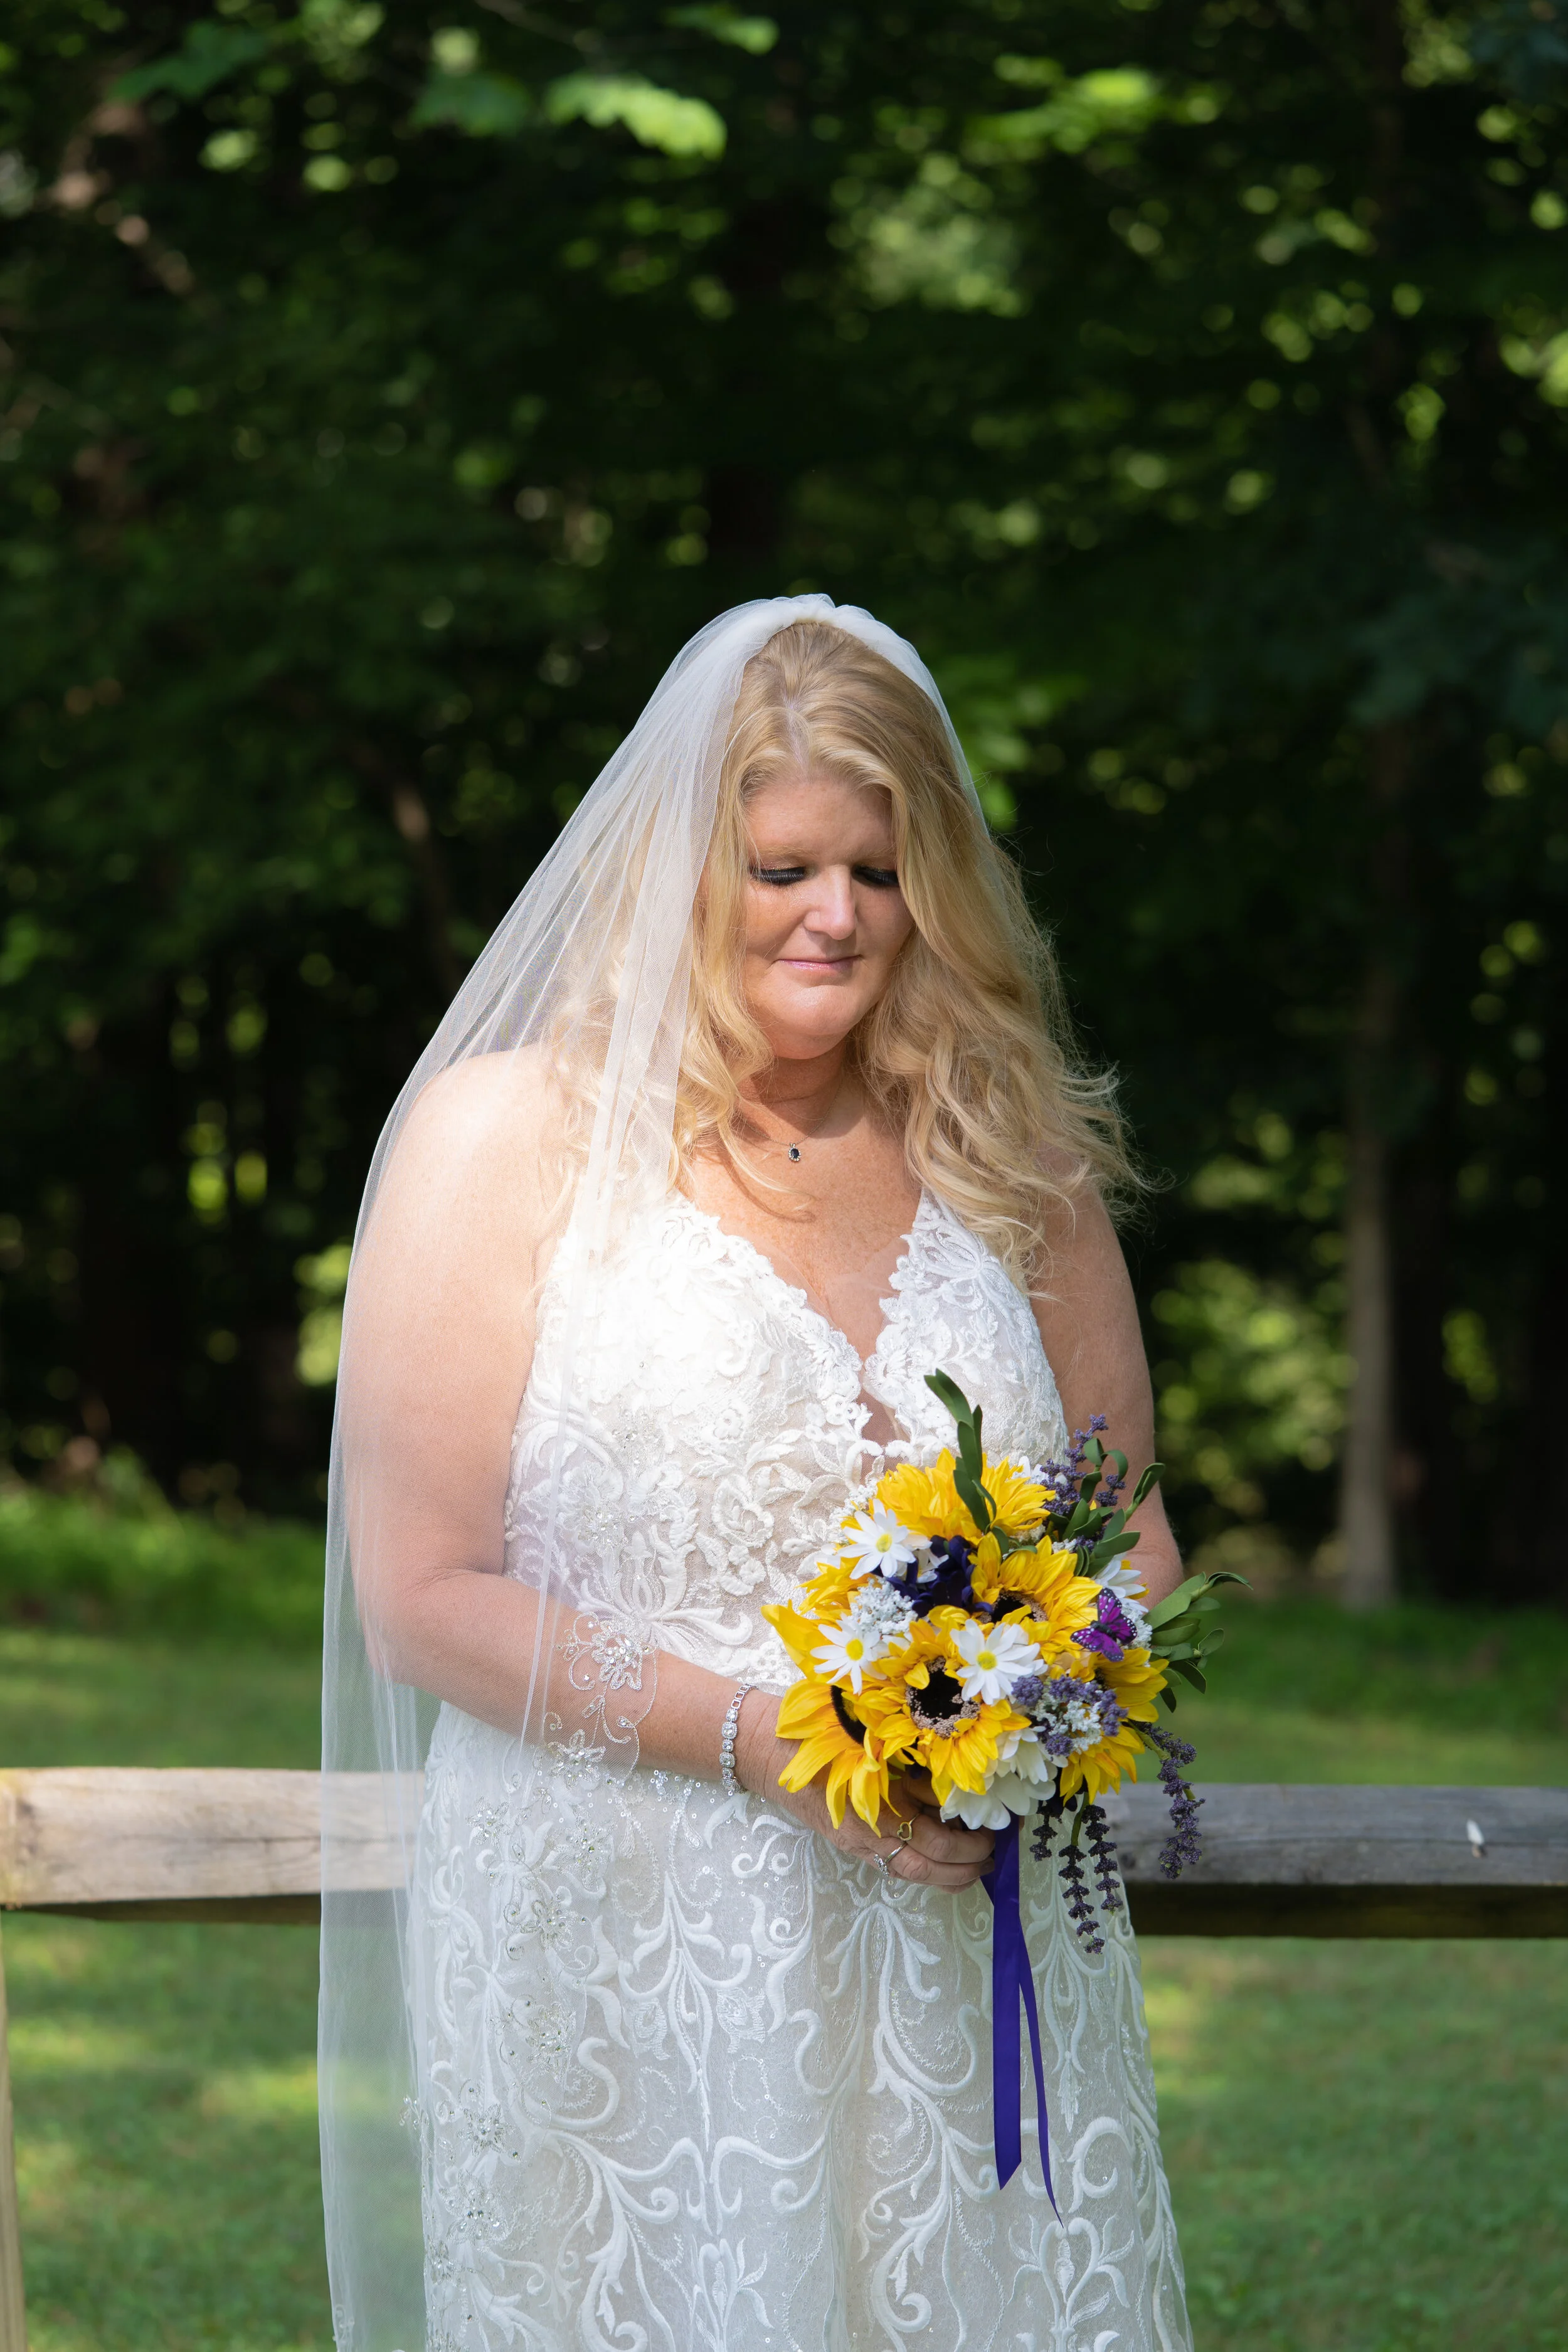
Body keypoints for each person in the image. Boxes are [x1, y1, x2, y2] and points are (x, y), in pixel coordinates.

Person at [320, 597, 1192, 2352]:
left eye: (877, 870)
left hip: (961, 1936)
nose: (833, 915)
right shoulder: (505, 1137)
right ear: (676, 867)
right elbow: (420, 1597)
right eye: (782, 864)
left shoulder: (1006, 1151)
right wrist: (777, 1747)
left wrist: (1024, 1717)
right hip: (632, 1940)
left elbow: (1130, 1528)